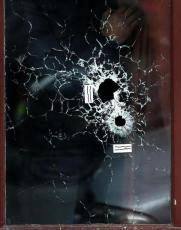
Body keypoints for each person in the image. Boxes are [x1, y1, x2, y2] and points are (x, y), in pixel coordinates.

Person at [5, 0, 142, 224]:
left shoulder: (92, 8)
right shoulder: (28, 9)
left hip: (100, 152)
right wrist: (107, 42)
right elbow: (54, 81)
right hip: (54, 160)